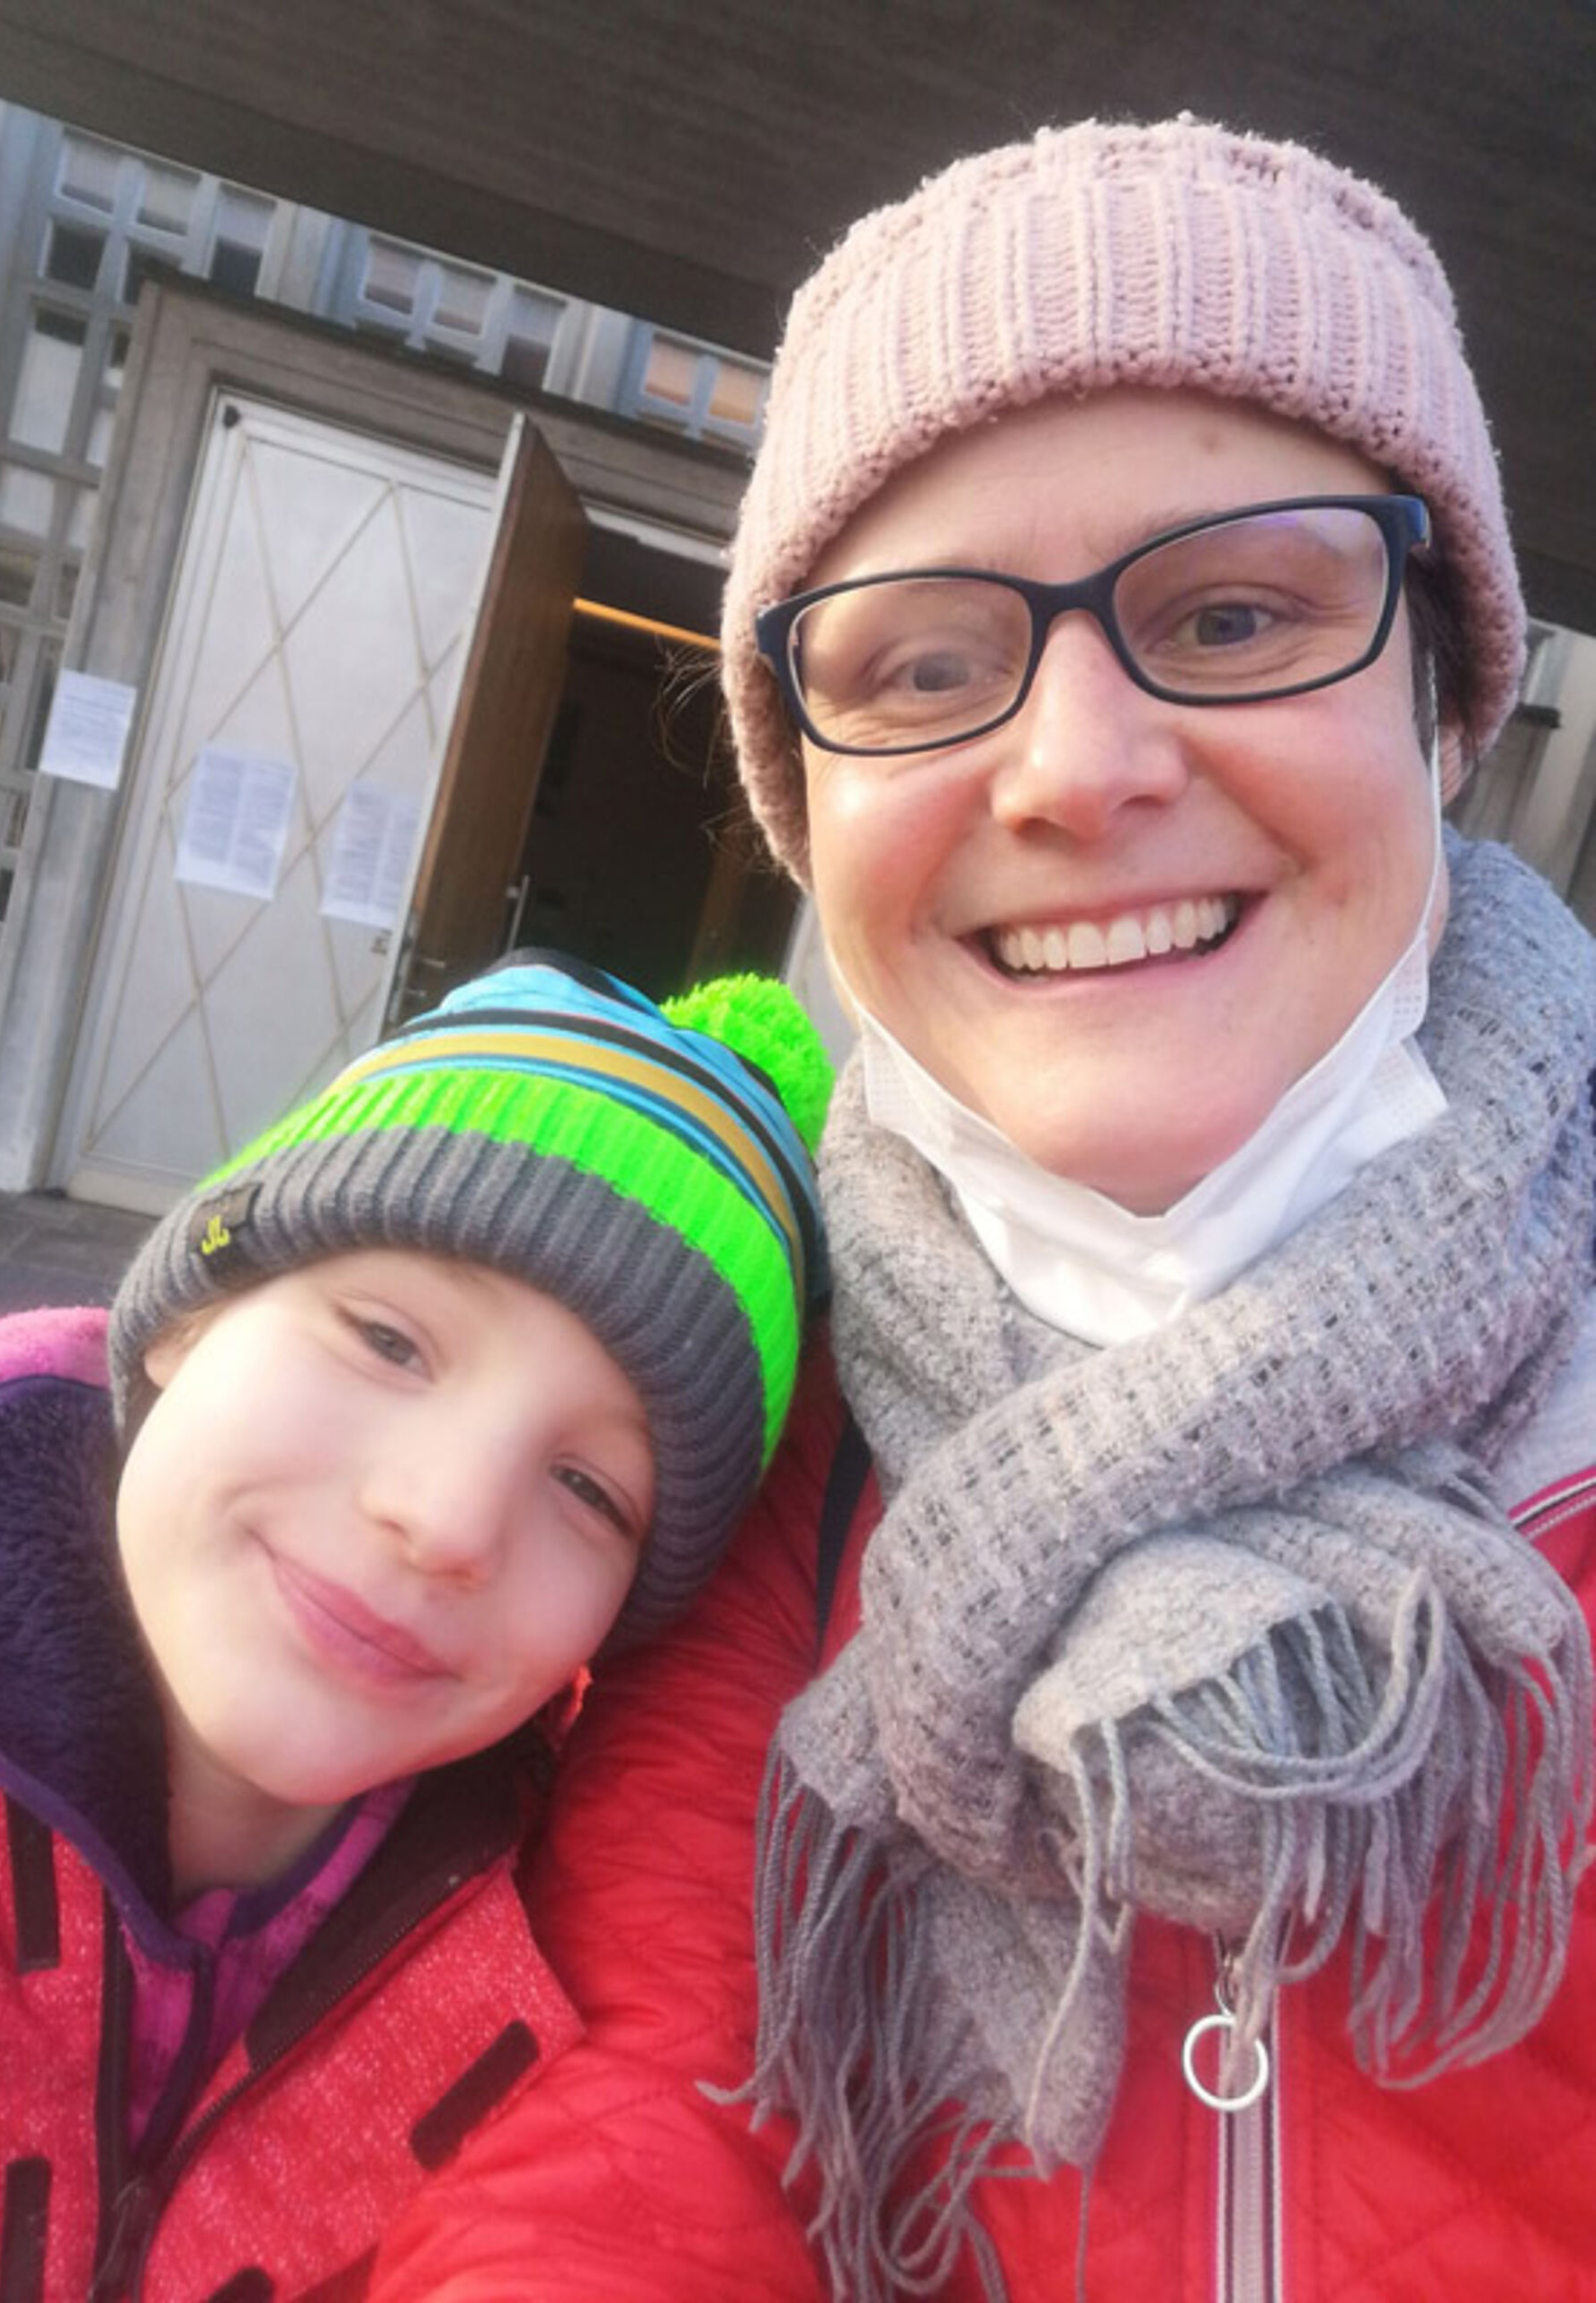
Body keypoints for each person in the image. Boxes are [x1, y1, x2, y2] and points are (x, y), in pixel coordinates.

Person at [366, 118, 1596, 2303]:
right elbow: (656, 2107)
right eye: (926, 666)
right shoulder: (732, 1399)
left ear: (1443, 703)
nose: (1075, 769)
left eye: (1237, 613)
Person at [0, 950, 830, 2299]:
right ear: (192, 1319)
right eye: (388, 1340)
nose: (447, 1519)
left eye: (588, 1490)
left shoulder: (553, 1988)